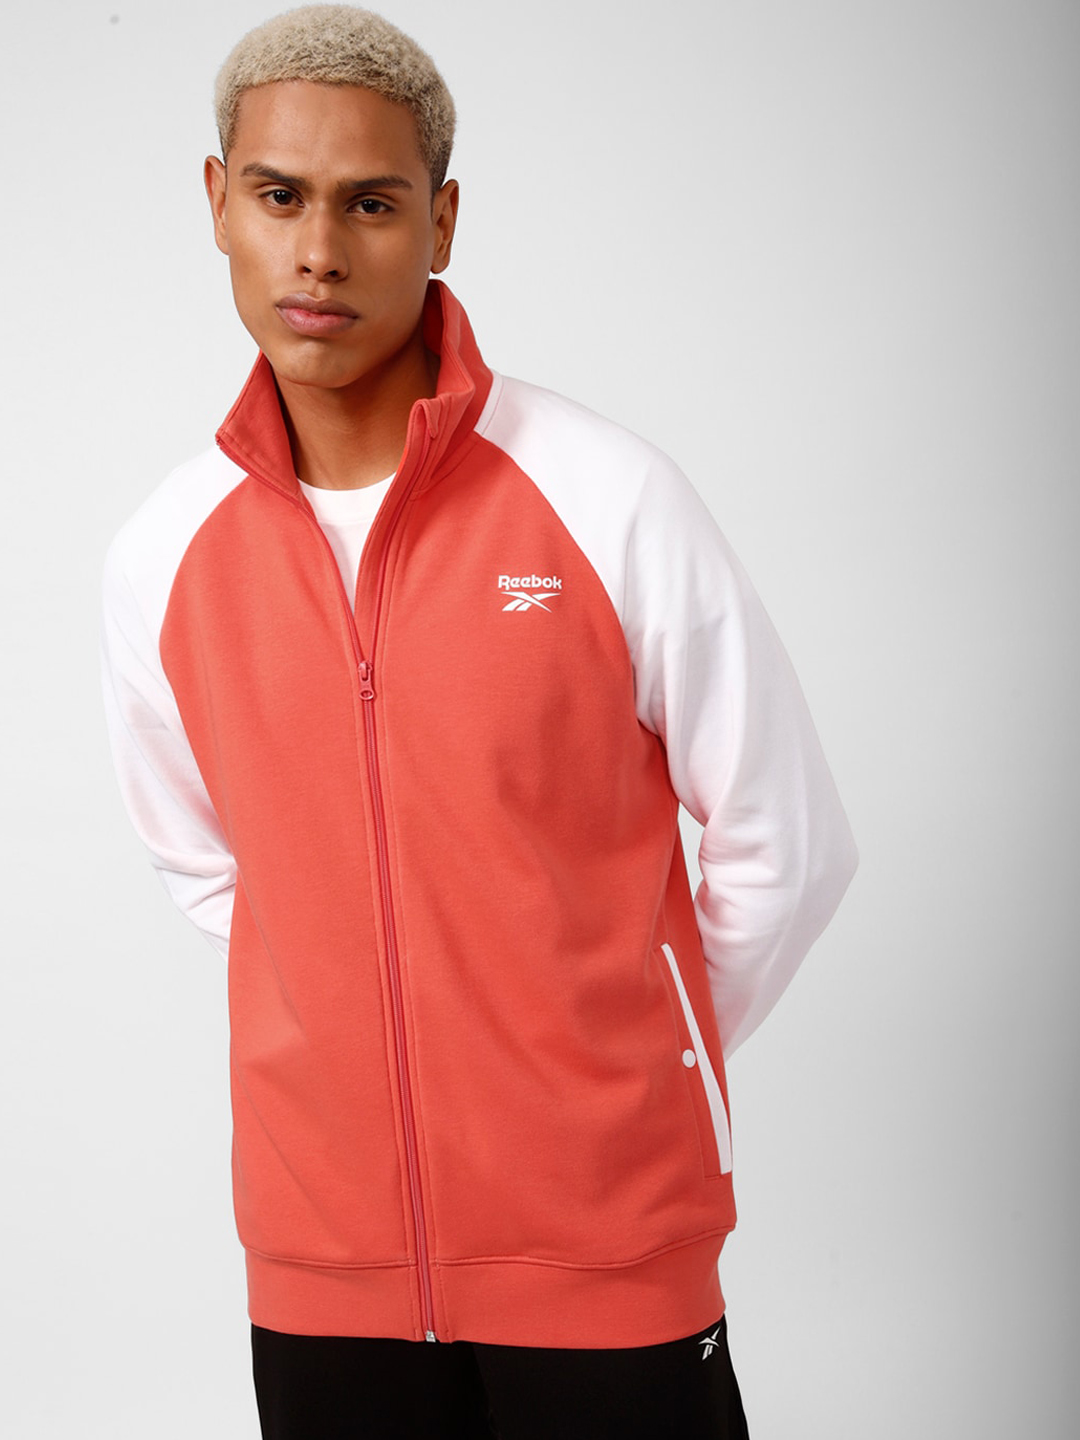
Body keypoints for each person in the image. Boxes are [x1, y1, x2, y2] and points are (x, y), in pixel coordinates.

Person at [100, 6, 858, 1436]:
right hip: (323, 1265)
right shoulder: (164, 555)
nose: (319, 252)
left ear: (441, 222)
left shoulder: (607, 498)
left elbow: (787, 839)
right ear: (218, 204)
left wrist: (617, 1052)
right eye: (279, 196)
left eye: (372, 204)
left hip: (609, 1249)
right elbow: (209, 869)